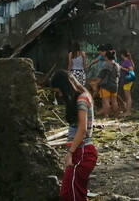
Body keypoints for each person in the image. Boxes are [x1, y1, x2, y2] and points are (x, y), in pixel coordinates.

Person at [50, 70, 97, 201]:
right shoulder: (82, 96)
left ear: (65, 87)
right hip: (80, 151)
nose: (60, 96)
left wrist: (70, 153)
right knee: (74, 192)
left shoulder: (81, 99)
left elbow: (82, 129)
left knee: (70, 194)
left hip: (82, 152)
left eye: (59, 92)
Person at [97, 49, 120, 117]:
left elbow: (101, 75)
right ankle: (116, 115)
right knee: (114, 101)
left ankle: (106, 116)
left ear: (106, 57)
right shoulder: (117, 65)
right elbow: (118, 76)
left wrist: (96, 84)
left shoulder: (106, 64)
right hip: (115, 85)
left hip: (106, 85)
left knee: (106, 101)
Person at [119, 49, 135, 116]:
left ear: (122, 55)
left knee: (128, 96)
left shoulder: (127, 61)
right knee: (127, 96)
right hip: (126, 80)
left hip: (128, 80)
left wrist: (121, 68)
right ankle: (127, 111)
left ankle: (128, 112)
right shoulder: (127, 61)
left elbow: (131, 70)